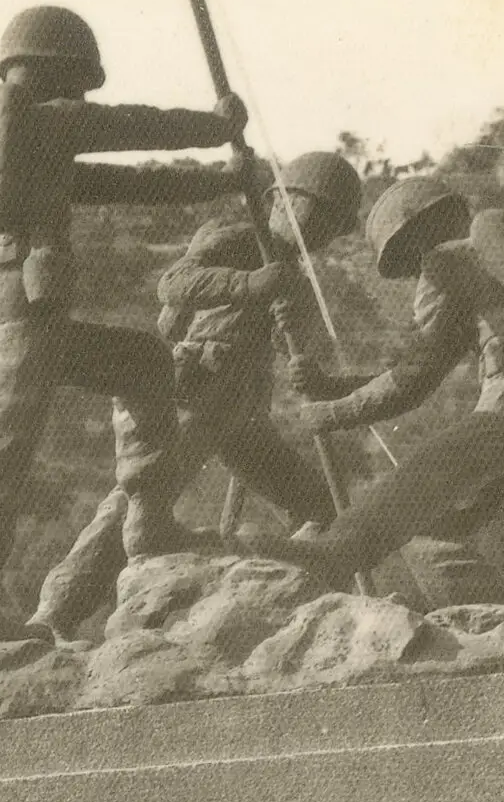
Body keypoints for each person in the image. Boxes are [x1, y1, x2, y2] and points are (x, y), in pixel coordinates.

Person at [0, 6, 248, 643]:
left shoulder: (11, 141)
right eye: (76, 84)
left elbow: (112, 184)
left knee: (144, 364)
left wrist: (218, 181)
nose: (80, 97)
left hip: (3, 309)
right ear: (59, 74)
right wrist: (216, 127)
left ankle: (148, 523)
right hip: (24, 306)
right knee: (4, 442)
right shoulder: (44, 119)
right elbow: (132, 126)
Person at [26, 152, 362, 644]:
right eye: (320, 213)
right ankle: (55, 612)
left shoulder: (297, 276)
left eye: (335, 224)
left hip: (245, 408)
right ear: (279, 202)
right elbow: (173, 287)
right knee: (140, 500)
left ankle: (278, 594)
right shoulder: (238, 239)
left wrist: (295, 340)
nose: (325, 231)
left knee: (318, 505)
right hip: (201, 387)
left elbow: (293, 349)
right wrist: (249, 284)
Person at [270, 176, 504, 590]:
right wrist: (335, 389)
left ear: (416, 233)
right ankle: (495, 632)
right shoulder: (484, 268)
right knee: (433, 531)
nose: (416, 271)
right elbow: (420, 369)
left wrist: (334, 411)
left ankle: (335, 552)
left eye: (409, 258)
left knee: (415, 486)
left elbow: (415, 379)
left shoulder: (446, 262)